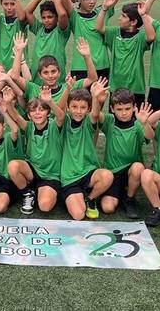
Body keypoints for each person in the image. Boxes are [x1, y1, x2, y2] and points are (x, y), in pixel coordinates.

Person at [5, 85, 66, 215]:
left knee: (45, 206)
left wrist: (50, 101)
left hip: (50, 175)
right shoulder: (29, 126)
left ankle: (45, 191)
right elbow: (16, 117)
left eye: (41, 110)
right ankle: (27, 193)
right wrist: (8, 103)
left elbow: (61, 116)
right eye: (33, 111)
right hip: (32, 170)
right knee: (13, 166)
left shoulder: (54, 125)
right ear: (29, 115)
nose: (37, 113)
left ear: (48, 113)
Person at [60, 80, 114, 220]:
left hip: (88, 172)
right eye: (74, 107)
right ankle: (72, 196)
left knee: (107, 176)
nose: (78, 111)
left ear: (88, 109)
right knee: (78, 215)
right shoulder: (63, 121)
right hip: (69, 176)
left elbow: (95, 114)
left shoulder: (88, 122)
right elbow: (58, 110)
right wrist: (67, 89)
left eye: (83, 107)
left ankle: (90, 198)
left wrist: (95, 97)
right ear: (68, 107)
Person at [96, 0, 156, 108]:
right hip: (116, 87)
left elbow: (151, 36)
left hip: (135, 88)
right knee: (116, 116)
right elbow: (99, 27)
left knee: (135, 117)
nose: (119, 18)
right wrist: (104, 9)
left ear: (133, 22)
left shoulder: (140, 36)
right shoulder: (115, 32)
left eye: (123, 16)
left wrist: (143, 15)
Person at [97, 89, 149, 219]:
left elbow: (149, 137)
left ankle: (129, 198)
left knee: (138, 167)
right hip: (112, 174)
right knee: (107, 208)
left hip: (131, 172)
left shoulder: (138, 125)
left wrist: (145, 123)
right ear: (112, 109)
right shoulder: (109, 121)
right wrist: (98, 100)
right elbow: (96, 114)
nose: (124, 113)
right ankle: (118, 193)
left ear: (134, 107)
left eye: (127, 108)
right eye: (119, 109)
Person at [61, 0, 125, 80]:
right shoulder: (75, 17)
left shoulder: (103, 11)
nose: (92, 1)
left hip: (102, 66)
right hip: (81, 67)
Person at [24, 0, 70, 82]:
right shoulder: (39, 28)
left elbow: (63, 14)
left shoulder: (61, 32)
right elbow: (27, 12)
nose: (46, 20)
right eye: (44, 17)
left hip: (56, 82)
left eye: (50, 17)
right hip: (37, 82)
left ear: (56, 18)